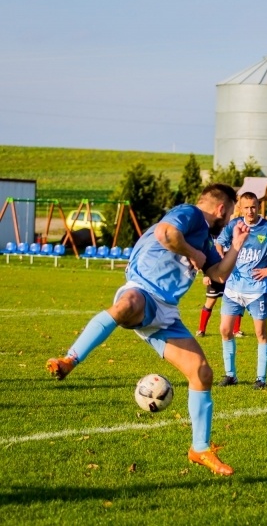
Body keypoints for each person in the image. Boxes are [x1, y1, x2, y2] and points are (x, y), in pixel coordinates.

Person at [46, 184, 247, 476]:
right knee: (127, 304)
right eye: (230, 213)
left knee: (202, 372)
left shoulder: (204, 239)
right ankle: (70, 359)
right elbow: (165, 234)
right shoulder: (189, 213)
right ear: (221, 208)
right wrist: (192, 252)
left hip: (165, 313)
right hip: (142, 291)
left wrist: (237, 246)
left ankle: (200, 449)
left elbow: (218, 274)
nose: (230, 219)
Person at [214, 192, 267, 389]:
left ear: (258, 207)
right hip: (233, 288)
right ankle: (230, 375)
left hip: (257, 290)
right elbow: (219, 242)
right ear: (241, 208)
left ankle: (261, 378)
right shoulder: (234, 225)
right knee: (225, 330)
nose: (250, 211)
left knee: (260, 333)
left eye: (253, 207)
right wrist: (221, 259)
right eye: (246, 207)